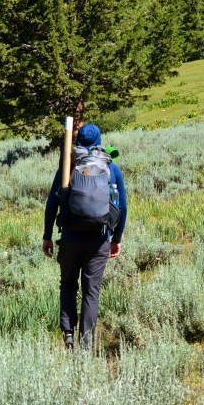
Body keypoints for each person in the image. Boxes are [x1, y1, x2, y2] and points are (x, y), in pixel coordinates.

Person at [42, 123, 126, 350]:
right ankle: (86, 343)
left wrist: (47, 235)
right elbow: (123, 206)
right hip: (99, 239)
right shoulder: (111, 167)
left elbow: (52, 204)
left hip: (70, 237)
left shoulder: (68, 167)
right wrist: (116, 238)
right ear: (99, 140)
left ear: (78, 141)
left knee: (68, 284)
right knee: (91, 291)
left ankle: (68, 333)